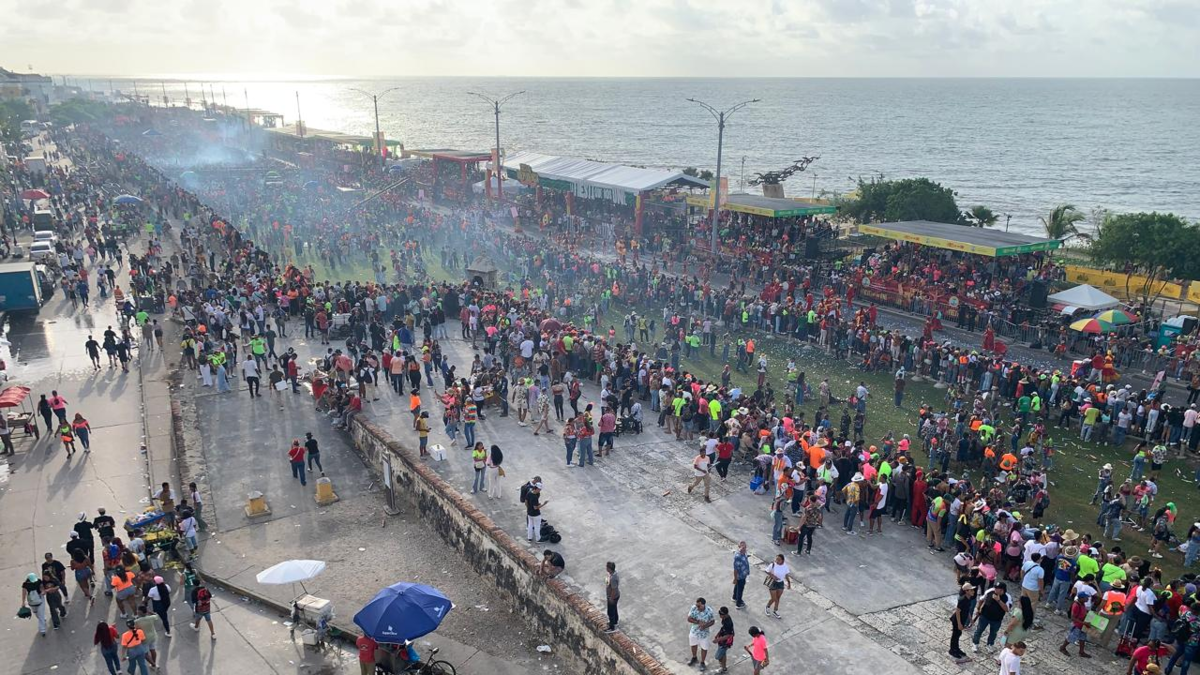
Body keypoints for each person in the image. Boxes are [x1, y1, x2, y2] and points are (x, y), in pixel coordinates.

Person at [972, 582, 1010, 652]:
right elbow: (981, 599)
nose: (994, 589)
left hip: (996, 620)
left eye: (997, 588)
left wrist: (998, 600)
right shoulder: (990, 591)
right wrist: (978, 608)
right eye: (995, 587)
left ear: (1002, 590)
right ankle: (975, 643)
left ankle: (990, 644)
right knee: (979, 630)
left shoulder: (1007, 597)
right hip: (984, 616)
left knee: (993, 633)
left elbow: (1007, 609)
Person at [1059, 592, 1093, 659]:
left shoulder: (1082, 603)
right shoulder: (1076, 605)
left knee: (1082, 638)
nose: (1088, 599)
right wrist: (1084, 623)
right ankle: (1062, 648)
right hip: (1077, 626)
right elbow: (1073, 618)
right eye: (1086, 597)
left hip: (1082, 625)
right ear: (1081, 598)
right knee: (1071, 638)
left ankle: (1081, 652)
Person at [687, 597, 715, 671]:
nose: (697, 607)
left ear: (703, 605)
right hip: (694, 631)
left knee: (704, 648)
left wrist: (705, 626)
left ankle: (702, 662)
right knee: (693, 644)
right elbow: (689, 619)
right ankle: (694, 657)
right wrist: (698, 622)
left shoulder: (709, 611)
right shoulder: (694, 608)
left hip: (704, 634)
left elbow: (712, 621)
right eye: (697, 605)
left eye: (699, 606)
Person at [950, 582, 975, 660]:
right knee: (955, 635)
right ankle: (952, 650)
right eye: (971, 590)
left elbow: (967, 610)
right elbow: (957, 611)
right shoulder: (962, 599)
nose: (973, 591)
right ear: (967, 591)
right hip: (957, 620)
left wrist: (971, 619)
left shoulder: (969, 598)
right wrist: (959, 624)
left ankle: (956, 648)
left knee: (958, 634)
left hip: (962, 619)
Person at [764, 554, 791, 618]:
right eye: (776, 559)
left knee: (778, 598)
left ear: (782, 560)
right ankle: (767, 607)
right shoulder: (773, 565)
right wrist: (773, 576)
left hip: (780, 583)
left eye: (778, 559)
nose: (777, 561)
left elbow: (786, 575)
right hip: (773, 583)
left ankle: (775, 611)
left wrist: (789, 583)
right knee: (774, 598)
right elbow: (766, 571)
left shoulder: (785, 566)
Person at [713, 606, 734, 674]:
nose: (720, 616)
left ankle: (723, 667)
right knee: (723, 654)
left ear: (725, 614)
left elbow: (728, 635)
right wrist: (718, 634)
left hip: (726, 641)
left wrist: (718, 640)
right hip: (722, 637)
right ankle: (723, 666)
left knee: (718, 656)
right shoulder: (725, 618)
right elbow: (723, 628)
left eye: (721, 615)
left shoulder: (728, 623)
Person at [732, 541, 750, 610]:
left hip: (744, 574)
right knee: (740, 589)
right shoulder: (738, 557)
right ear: (739, 547)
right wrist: (735, 578)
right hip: (740, 576)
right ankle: (738, 603)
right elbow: (735, 569)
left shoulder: (744, 553)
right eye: (742, 547)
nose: (744, 548)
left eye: (745, 547)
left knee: (737, 586)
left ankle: (734, 597)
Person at [605, 561, 620, 633]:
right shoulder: (611, 574)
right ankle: (615, 622)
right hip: (613, 595)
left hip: (613, 596)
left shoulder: (613, 578)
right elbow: (607, 583)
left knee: (610, 612)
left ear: (609, 568)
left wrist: (611, 598)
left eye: (607, 567)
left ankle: (612, 627)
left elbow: (614, 589)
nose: (606, 568)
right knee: (614, 609)